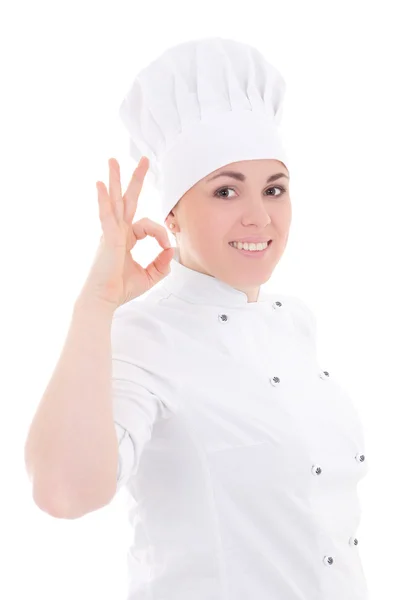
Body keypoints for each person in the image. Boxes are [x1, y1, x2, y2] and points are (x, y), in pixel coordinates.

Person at [24, 37, 370, 600]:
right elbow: (64, 492)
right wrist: (96, 303)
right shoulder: (145, 335)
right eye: (226, 190)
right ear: (173, 215)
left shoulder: (296, 323)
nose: (259, 216)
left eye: (274, 189)